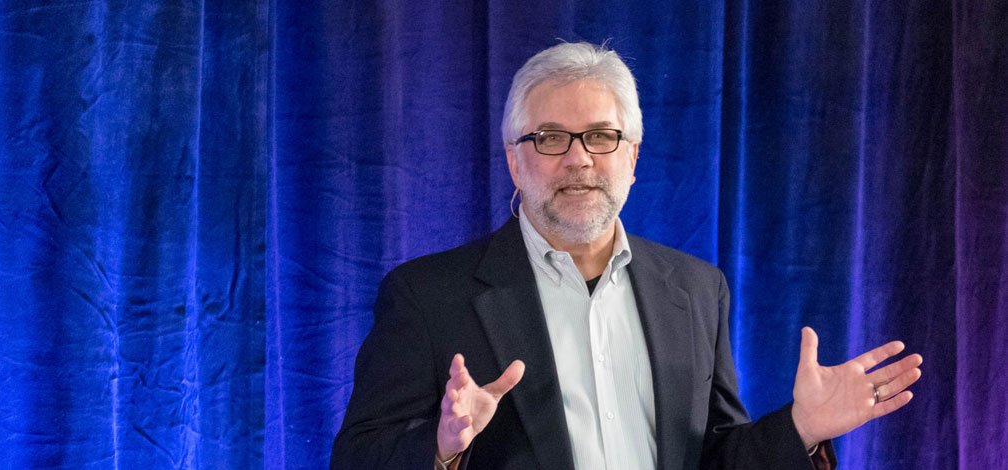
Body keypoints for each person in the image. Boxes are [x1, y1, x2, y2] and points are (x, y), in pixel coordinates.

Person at [330, 42, 923, 470]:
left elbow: (715, 455)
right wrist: (440, 446)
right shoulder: (428, 295)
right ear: (516, 160)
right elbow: (356, 456)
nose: (579, 158)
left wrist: (802, 429)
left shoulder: (696, 289)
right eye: (550, 137)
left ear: (632, 158)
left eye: (601, 136)